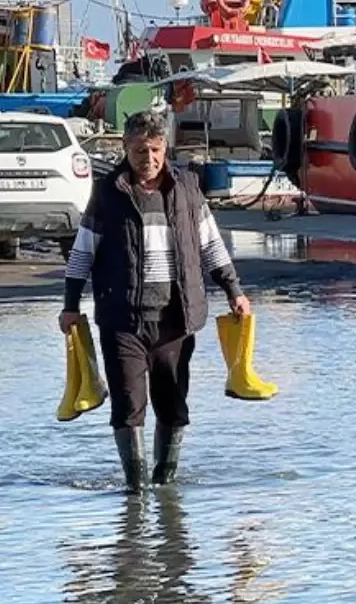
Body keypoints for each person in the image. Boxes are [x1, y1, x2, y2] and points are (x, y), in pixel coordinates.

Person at [59, 111, 251, 492]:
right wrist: (69, 304)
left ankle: (165, 483)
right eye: (139, 150)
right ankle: (135, 491)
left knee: (173, 404)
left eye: (155, 149)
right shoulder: (107, 194)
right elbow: (82, 253)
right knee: (129, 406)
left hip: (176, 317)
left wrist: (235, 291)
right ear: (125, 150)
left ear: (165, 148)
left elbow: (212, 245)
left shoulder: (187, 190)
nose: (148, 158)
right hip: (122, 320)